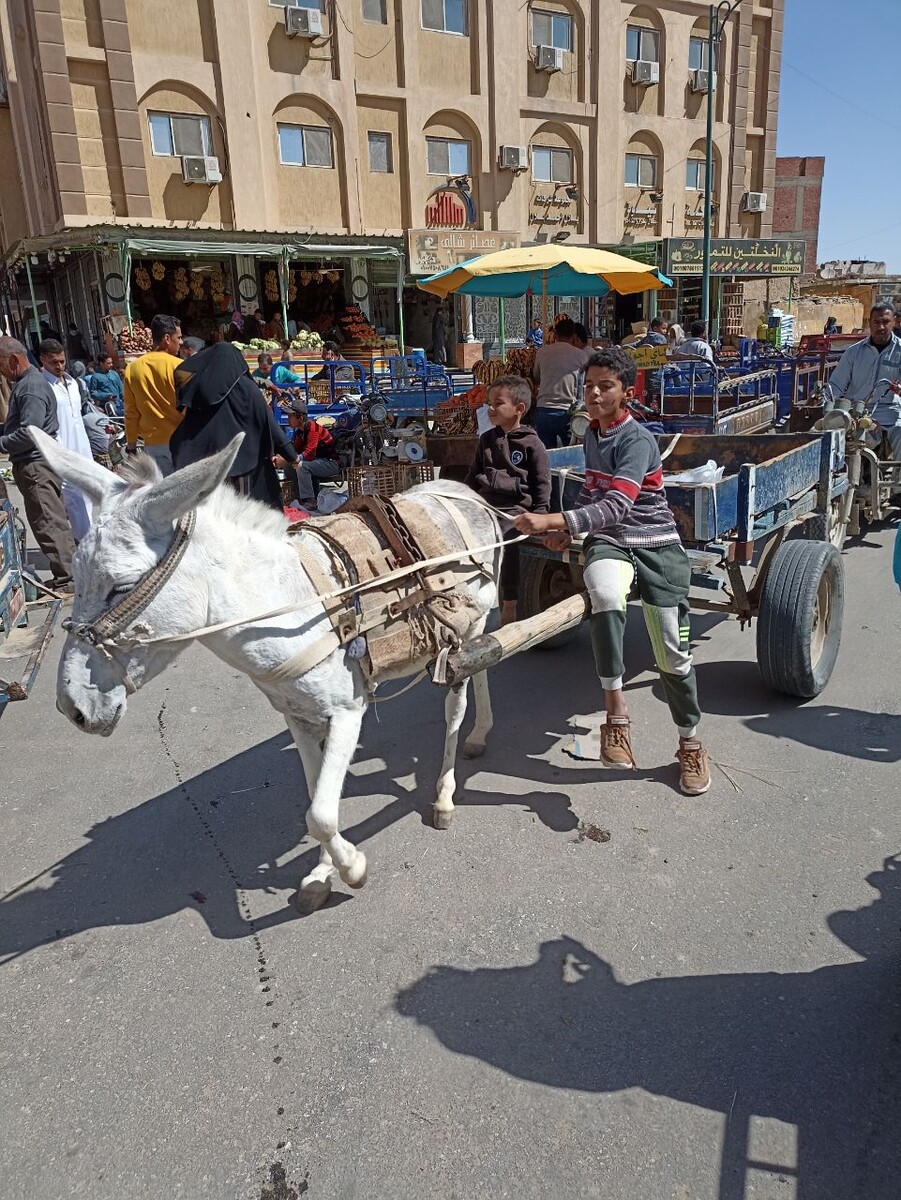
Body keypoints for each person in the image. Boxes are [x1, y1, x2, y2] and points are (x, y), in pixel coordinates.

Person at [512, 346, 710, 797]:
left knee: (672, 656)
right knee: (602, 593)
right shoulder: (592, 435)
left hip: (656, 544)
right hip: (611, 542)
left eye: (605, 386)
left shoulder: (636, 440)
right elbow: (592, 494)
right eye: (589, 386)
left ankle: (691, 743)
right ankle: (615, 717)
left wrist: (555, 522)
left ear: (625, 392)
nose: (594, 394)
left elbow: (619, 503)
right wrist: (571, 533)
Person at [170, 343, 299, 511]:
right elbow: (269, 423)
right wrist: (292, 456)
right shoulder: (247, 388)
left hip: (210, 470)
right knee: (244, 516)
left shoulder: (202, 395)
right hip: (246, 466)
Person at [465, 375, 550, 626]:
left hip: (514, 509)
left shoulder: (532, 444)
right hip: (485, 505)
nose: (490, 409)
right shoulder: (486, 440)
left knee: (507, 537)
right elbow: (472, 475)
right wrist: (462, 498)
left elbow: (542, 481)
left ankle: (510, 601)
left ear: (519, 409)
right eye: (489, 403)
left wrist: (542, 515)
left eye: (497, 404)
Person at [0, 336, 76, 590]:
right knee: (51, 519)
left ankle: (69, 578)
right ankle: (69, 573)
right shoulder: (28, 383)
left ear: (13, 359)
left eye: (1, 364)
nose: (1, 371)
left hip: (36, 465)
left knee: (48, 521)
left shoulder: (30, 386)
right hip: (37, 463)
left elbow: (30, 431)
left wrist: (1, 443)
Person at [827, 301, 901, 461]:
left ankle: (897, 485)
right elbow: (835, 385)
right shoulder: (853, 352)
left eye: (886, 322)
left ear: (894, 322)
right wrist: (825, 400)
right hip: (855, 412)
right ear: (870, 323)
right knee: (823, 435)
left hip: (889, 413)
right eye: (876, 322)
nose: (881, 327)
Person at [39, 338, 95, 540]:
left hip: (82, 448)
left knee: (88, 493)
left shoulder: (73, 383)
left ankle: (90, 535)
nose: (60, 366)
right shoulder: (43, 386)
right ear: (43, 360)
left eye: (62, 361)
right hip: (62, 451)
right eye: (54, 362)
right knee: (72, 498)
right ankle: (83, 539)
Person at [123, 313, 183, 476]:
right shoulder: (180, 366)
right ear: (167, 338)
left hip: (153, 444)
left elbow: (131, 412)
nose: (181, 342)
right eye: (178, 337)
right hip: (182, 441)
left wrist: (132, 445)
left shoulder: (133, 369)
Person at [532, 316, 589, 448]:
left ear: (555, 334)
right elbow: (584, 382)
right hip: (568, 411)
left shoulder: (542, 352)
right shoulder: (581, 355)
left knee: (546, 456)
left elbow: (536, 377)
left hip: (544, 410)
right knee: (570, 455)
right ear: (574, 335)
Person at [284, 399, 341, 511]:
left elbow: (310, 453)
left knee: (301, 466)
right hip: (317, 463)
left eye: (290, 416)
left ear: (300, 418)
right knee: (287, 466)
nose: (288, 419)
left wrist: (294, 458)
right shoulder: (300, 432)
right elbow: (295, 450)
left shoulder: (313, 428)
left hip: (331, 463)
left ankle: (311, 500)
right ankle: (300, 497)